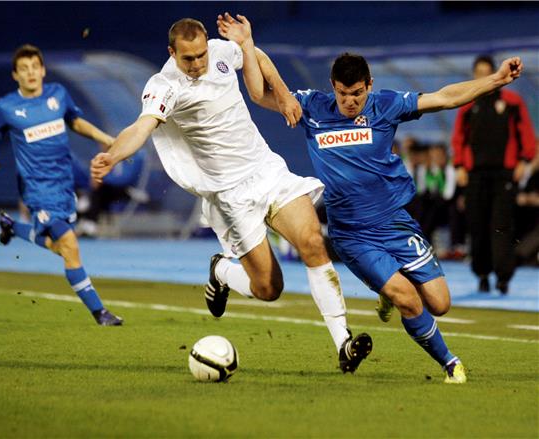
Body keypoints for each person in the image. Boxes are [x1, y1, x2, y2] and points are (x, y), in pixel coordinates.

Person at [221, 13, 527, 383]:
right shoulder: (313, 109)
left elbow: (445, 98)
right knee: (408, 299)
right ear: (333, 87)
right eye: (342, 93)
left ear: (370, 85)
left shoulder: (386, 105)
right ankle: (450, 364)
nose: (350, 102)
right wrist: (246, 45)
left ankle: (390, 288)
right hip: (351, 234)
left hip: (396, 223)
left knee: (440, 304)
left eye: (357, 93)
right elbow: (257, 93)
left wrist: (495, 80)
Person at [91, 18, 372, 373]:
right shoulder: (164, 86)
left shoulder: (221, 52)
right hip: (229, 195)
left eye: (201, 54)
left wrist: (283, 96)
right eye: (188, 58)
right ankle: (222, 270)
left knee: (313, 241)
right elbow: (141, 127)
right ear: (172, 53)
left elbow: (258, 58)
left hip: (266, 170)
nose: (197, 64)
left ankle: (343, 343)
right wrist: (114, 154)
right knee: (270, 288)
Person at [0, 44, 123, 326]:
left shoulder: (58, 95)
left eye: (35, 67)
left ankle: (11, 227)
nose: (31, 73)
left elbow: (76, 122)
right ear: (15, 75)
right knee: (70, 244)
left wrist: (104, 138)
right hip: (36, 189)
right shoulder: (6, 107)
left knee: (60, 246)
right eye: (24, 69)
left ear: (43, 70)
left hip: (64, 186)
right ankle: (100, 312)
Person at [452, 55, 536, 294]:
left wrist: (524, 161)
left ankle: (503, 277)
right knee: (477, 227)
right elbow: (458, 138)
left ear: (494, 73)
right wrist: (459, 166)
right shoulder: (467, 105)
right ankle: (482, 273)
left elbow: (526, 134)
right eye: (478, 72)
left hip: (504, 175)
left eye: (486, 72)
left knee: (501, 227)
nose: (482, 77)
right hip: (475, 176)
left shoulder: (512, 102)